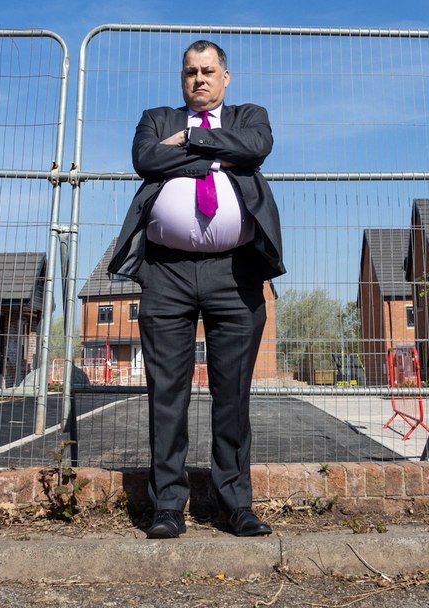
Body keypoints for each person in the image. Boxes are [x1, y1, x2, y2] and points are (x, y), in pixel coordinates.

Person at [108, 40, 284, 539]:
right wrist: (214, 152)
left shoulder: (251, 115)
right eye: (190, 72)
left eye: (208, 71)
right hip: (167, 274)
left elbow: (254, 149)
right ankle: (167, 506)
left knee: (233, 395)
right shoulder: (156, 117)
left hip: (236, 274)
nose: (199, 80)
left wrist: (184, 147)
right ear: (181, 78)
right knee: (167, 394)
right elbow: (145, 159)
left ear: (226, 77)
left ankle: (235, 505)